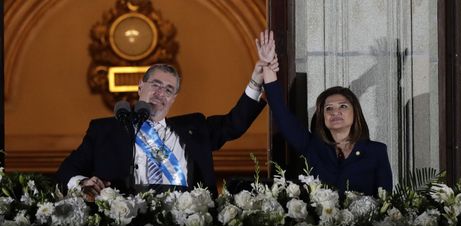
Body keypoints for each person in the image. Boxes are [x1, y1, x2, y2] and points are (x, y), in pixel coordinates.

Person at [56, 31, 278, 200]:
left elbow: (233, 125)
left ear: (173, 99)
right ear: (140, 86)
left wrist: (257, 77)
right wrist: (84, 181)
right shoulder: (104, 130)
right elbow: (66, 171)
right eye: (156, 84)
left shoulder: (194, 127)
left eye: (169, 90)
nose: (161, 93)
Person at [261, 32, 392, 196]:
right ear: (322, 117)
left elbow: (386, 202)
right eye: (328, 108)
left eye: (343, 106)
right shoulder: (312, 147)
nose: (335, 112)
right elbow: (281, 113)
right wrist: (267, 66)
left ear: (355, 113)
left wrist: (376, 74)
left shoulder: (376, 151)